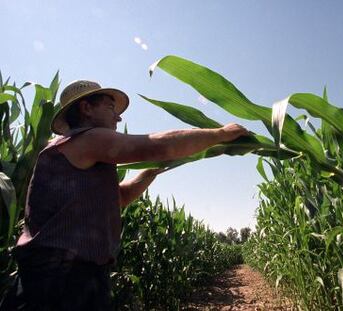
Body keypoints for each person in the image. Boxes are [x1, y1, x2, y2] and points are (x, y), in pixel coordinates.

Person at [10, 80, 248, 310]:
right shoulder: (86, 139)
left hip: (72, 276)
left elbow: (119, 198)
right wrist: (220, 134)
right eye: (111, 107)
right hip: (59, 280)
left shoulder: (81, 151)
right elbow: (156, 144)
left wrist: (150, 172)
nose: (119, 116)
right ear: (86, 109)